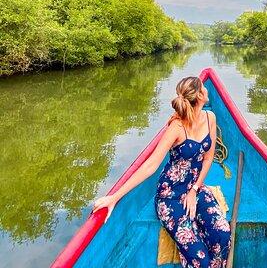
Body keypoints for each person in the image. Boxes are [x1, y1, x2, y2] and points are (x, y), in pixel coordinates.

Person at [93, 76, 232, 268]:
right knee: (200, 259)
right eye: (204, 88)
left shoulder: (210, 118)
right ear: (200, 95)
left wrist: (195, 190)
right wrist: (114, 197)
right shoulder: (176, 127)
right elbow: (150, 166)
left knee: (223, 234)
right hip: (171, 197)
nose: (207, 90)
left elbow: (208, 158)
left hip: (195, 190)